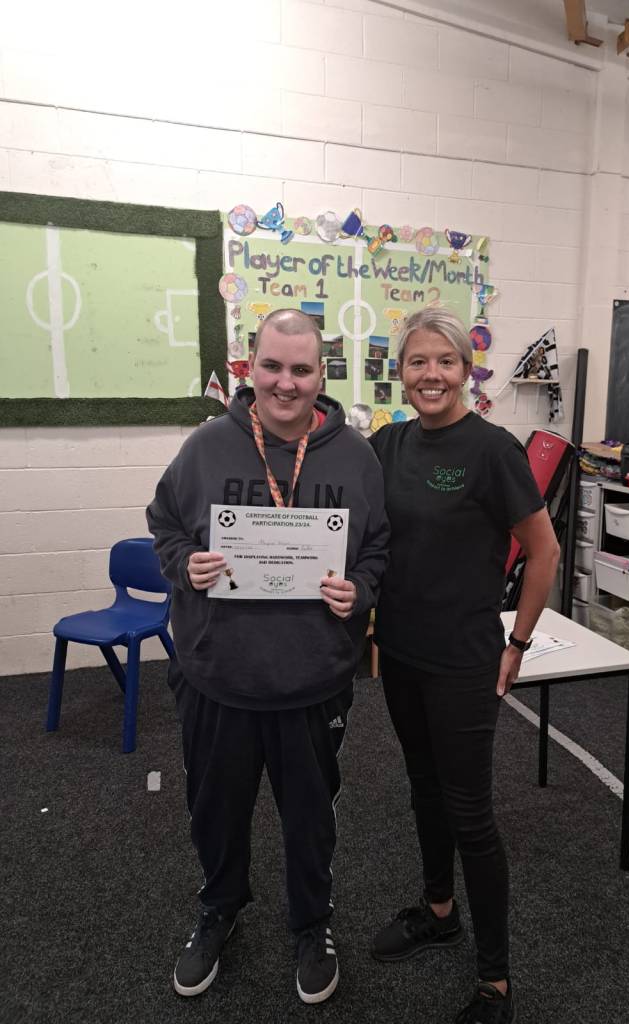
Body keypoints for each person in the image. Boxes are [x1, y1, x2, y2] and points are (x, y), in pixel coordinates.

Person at [146, 308, 389, 1005]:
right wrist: (185, 563)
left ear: (321, 375)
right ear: (251, 368)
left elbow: (378, 547)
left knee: (310, 819)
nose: (286, 383)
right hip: (217, 675)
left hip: (313, 679)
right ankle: (218, 910)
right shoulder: (206, 447)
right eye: (273, 367)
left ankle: (312, 924)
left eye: (302, 369)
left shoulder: (355, 457)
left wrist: (361, 589)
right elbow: (164, 524)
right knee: (215, 811)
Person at [368, 306, 560, 1024]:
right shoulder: (387, 445)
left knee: (470, 814)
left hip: (463, 664)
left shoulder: (492, 450)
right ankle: (439, 911)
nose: (431, 375)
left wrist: (518, 644)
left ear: (466, 370)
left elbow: (544, 551)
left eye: (444, 361)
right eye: (418, 362)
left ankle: (495, 983)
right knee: (424, 791)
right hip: (401, 655)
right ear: (401, 372)